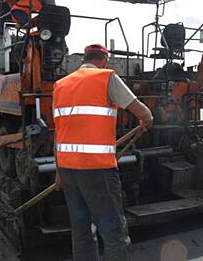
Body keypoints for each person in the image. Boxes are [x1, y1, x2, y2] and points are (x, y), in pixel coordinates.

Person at [53, 44, 153, 260]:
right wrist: (146, 120)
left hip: (68, 170)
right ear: (104, 60)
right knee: (113, 229)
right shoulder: (106, 78)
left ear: (83, 60)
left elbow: (58, 131)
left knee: (81, 230)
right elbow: (143, 112)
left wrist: (58, 171)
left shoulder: (60, 85)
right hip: (97, 169)